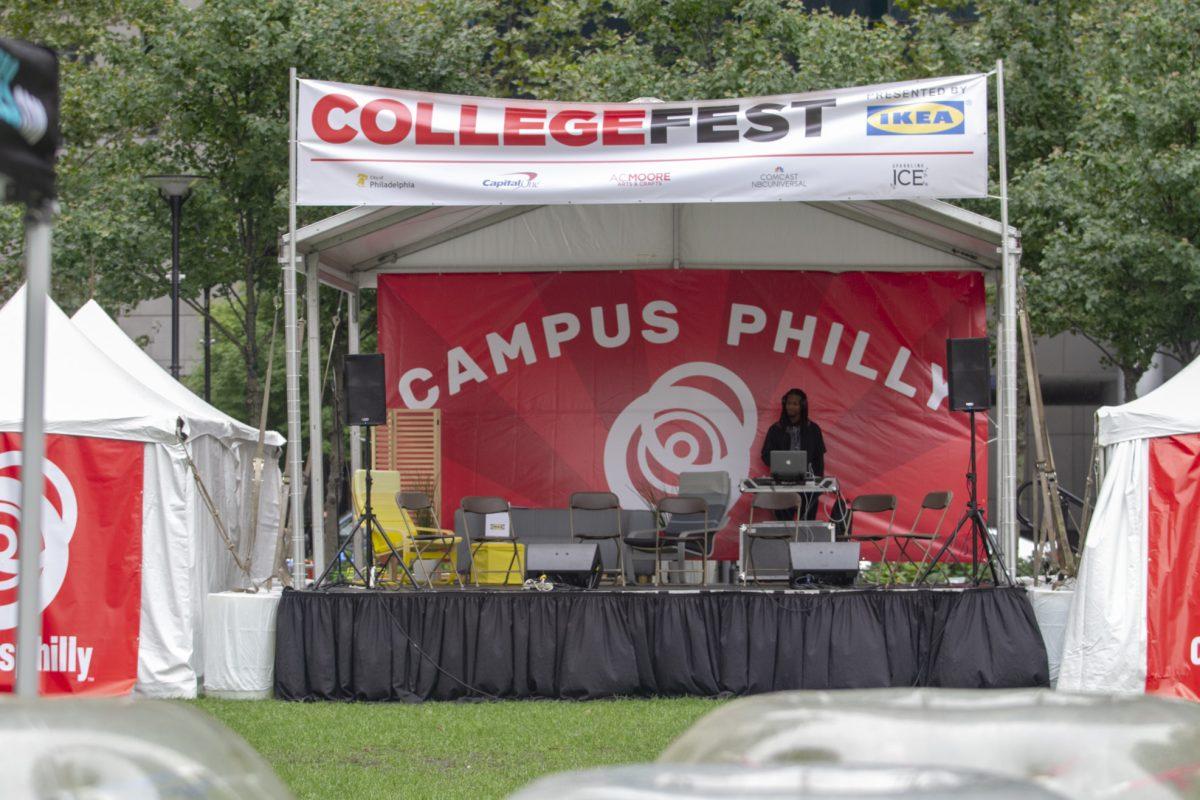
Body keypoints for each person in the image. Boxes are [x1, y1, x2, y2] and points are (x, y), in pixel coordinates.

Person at [759, 388, 826, 520]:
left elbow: (819, 458)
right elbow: (765, 455)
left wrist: (818, 484)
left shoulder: (813, 429)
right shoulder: (776, 429)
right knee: (784, 525)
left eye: (795, 404)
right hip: (782, 484)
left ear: (803, 406)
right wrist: (780, 463)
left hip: (808, 485)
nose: (790, 406)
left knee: (807, 527)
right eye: (788, 403)